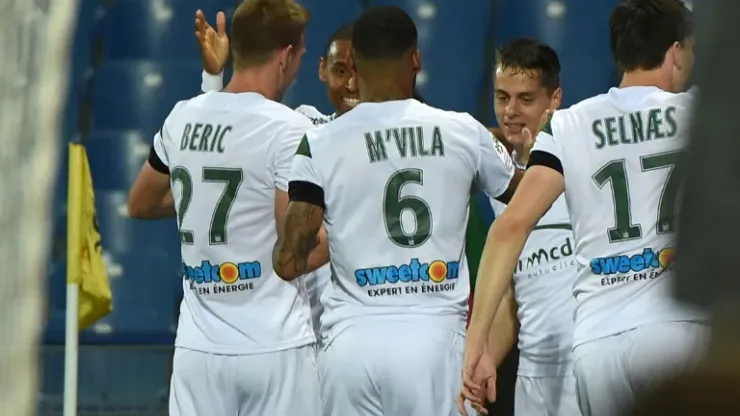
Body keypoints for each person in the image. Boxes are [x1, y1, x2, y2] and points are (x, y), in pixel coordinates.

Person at [271, 6, 522, 416]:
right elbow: (526, 197)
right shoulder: (461, 130)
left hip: (350, 348)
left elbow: (289, 262)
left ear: (354, 66)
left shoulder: (318, 142)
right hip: (434, 342)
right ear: (416, 59)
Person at [461, 1, 707, 416]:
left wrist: (476, 342)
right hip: (676, 334)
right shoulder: (700, 113)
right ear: (677, 51)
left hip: (597, 345)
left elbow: (510, 227)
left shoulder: (566, 126)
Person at [127, 0, 325, 415]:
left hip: (197, 353)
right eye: (301, 55)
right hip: (273, 349)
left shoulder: (181, 117)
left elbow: (141, 202)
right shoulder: (289, 129)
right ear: (286, 55)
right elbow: (296, 252)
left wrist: (211, 81)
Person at [486, 38, 581, 416]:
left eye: (525, 99)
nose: (510, 111)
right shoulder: (499, 180)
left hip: (583, 366)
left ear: (554, 99)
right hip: (532, 376)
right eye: (502, 97)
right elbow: (512, 296)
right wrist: (477, 363)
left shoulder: (582, 159)